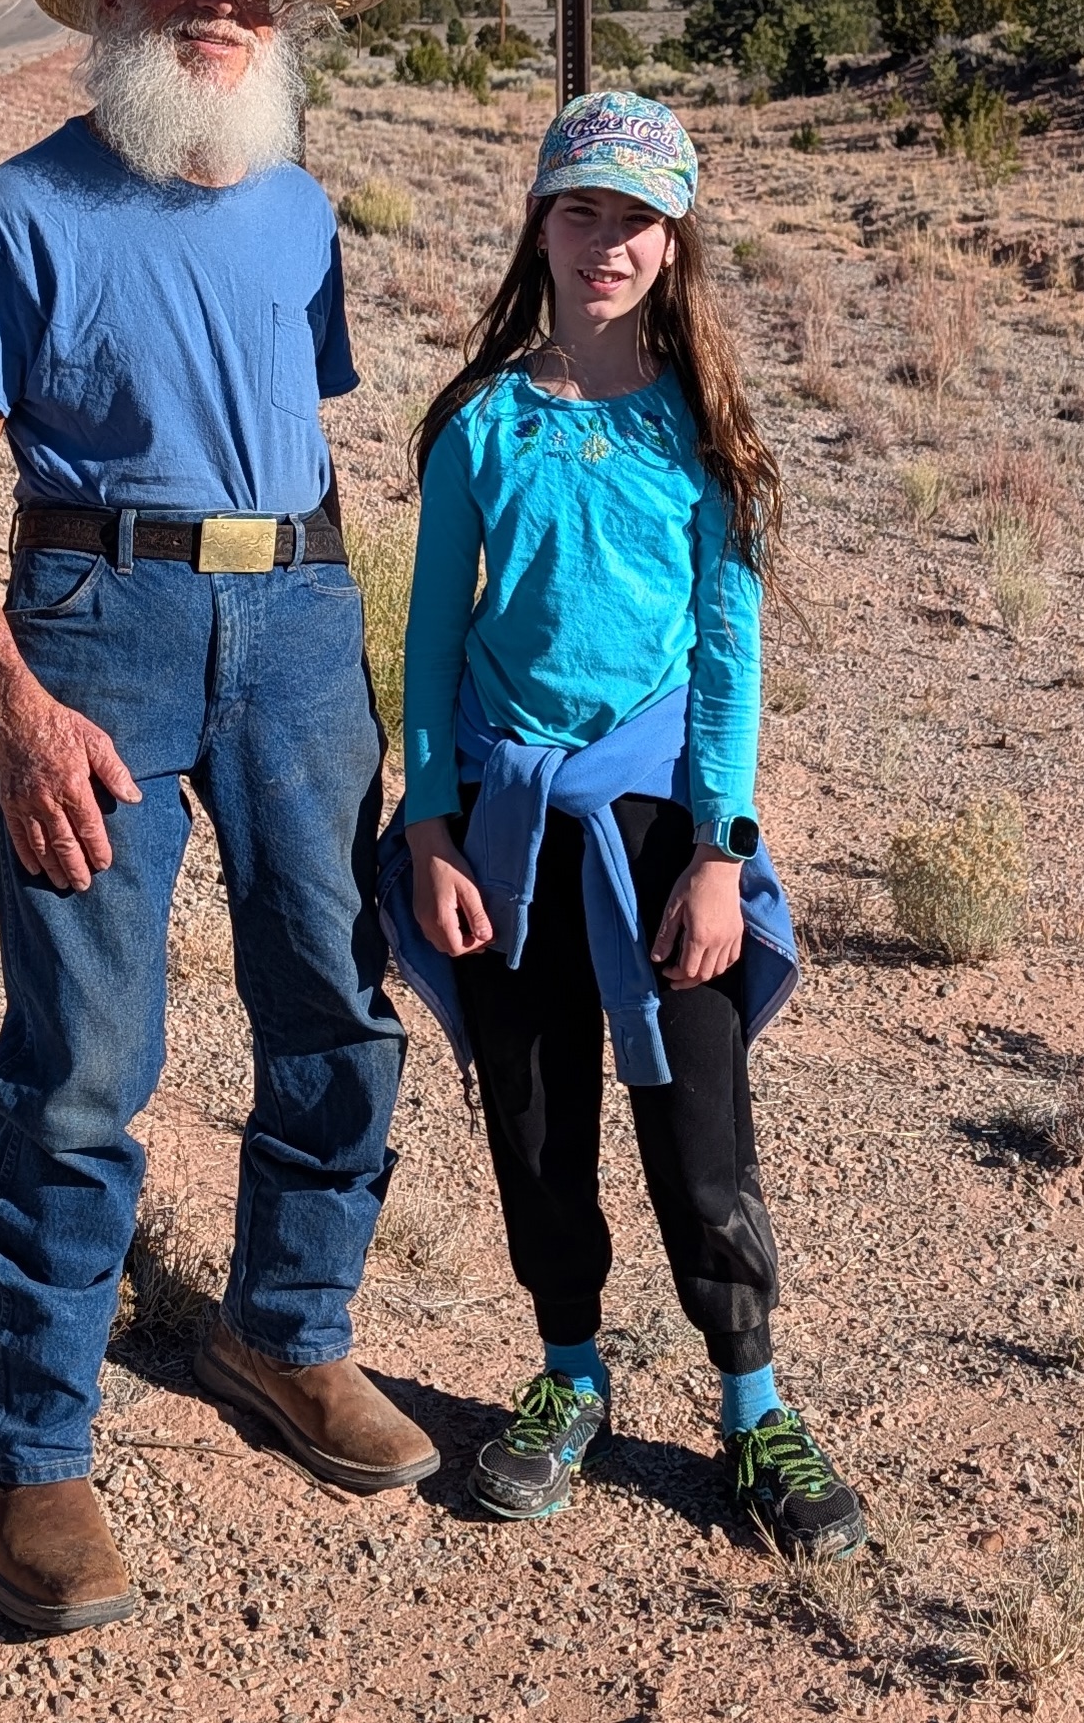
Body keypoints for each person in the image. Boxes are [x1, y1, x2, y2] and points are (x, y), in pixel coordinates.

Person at [0, 0, 438, 1637]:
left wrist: (340, 641)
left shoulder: (298, 209)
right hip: (94, 627)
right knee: (82, 1058)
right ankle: (27, 1449)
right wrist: (14, 701)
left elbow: (298, 430)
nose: (224, 1)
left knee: (336, 1000)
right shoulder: (23, 207)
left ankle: (284, 1333)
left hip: (297, 620)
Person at [383, 89, 870, 1560]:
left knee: (698, 1128)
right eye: (581, 208)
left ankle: (752, 1406)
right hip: (507, 820)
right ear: (539, 222)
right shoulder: (480, 421)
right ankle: (569, 1374)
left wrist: (722, 854)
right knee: (534, 1118)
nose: (607, 241)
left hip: (662, 826)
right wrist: (432, 826)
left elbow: (730, 659)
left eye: (637, 218)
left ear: (675, 243)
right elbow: (431, 636)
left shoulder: (706, 431)